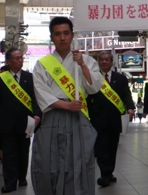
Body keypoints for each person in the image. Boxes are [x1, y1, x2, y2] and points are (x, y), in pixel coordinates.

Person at [31, 16, 103, 195]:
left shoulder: (86, 60)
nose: (62, 38)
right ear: (52, 37)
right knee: (49, 162)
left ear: (72, 35)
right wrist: (66, 106)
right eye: (57, 34)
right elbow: (41, 93)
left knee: (78, 161)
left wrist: (82, 66)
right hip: (53, 116)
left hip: (78, 116)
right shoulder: (42, 65)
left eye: (66, 33)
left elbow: (94, 88)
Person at [0, 49, 41, 193]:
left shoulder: (30, 77)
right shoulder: (0, 79)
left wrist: (37, 115)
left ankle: (22, 176)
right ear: (9, 61)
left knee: (23, 151)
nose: (20, 60)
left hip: (26, 122)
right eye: (17, 58)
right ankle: (10, 183)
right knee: (9, 154)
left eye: (21, 58)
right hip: (7, 123)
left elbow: (35, 99)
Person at [87, 51, 135, 188]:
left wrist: (130, 108)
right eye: (101, 59)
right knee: (101, 148)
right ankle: (104, 174)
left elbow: (127, 95)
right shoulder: (93, 78)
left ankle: (109, 172)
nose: (104, 62)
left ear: (111, 61)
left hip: (115, 119)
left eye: (106, 59)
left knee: (112, 147)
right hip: (98, 119)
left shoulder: (120, 78)